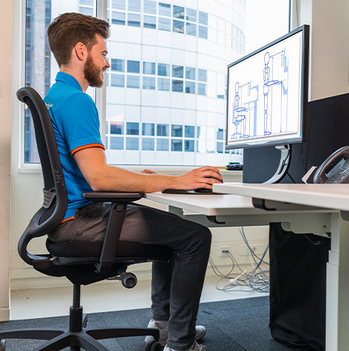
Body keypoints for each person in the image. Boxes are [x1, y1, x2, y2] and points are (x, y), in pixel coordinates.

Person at [44, 12, 222, 351]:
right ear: (81, 52)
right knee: (195, 237)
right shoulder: (78, 101)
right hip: (79, 225)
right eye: (103, 53)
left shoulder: (55, 96)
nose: (107, 63)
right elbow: (98, 177)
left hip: (62, 220)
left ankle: (164, 324)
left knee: (173, 229)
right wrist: (179, 181)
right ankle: (179, 343)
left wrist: (146, 180)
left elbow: (85, 168)